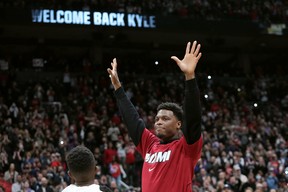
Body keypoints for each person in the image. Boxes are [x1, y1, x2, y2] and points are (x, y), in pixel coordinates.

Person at [107, 41, 203, 192]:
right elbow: (132, 121)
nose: (158, 122)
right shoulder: (150, 145)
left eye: (165, 119)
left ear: (179, 124)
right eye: (157, 119)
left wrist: (190, 77)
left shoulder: (186, 148)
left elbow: (193, 118)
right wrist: (118, 89)